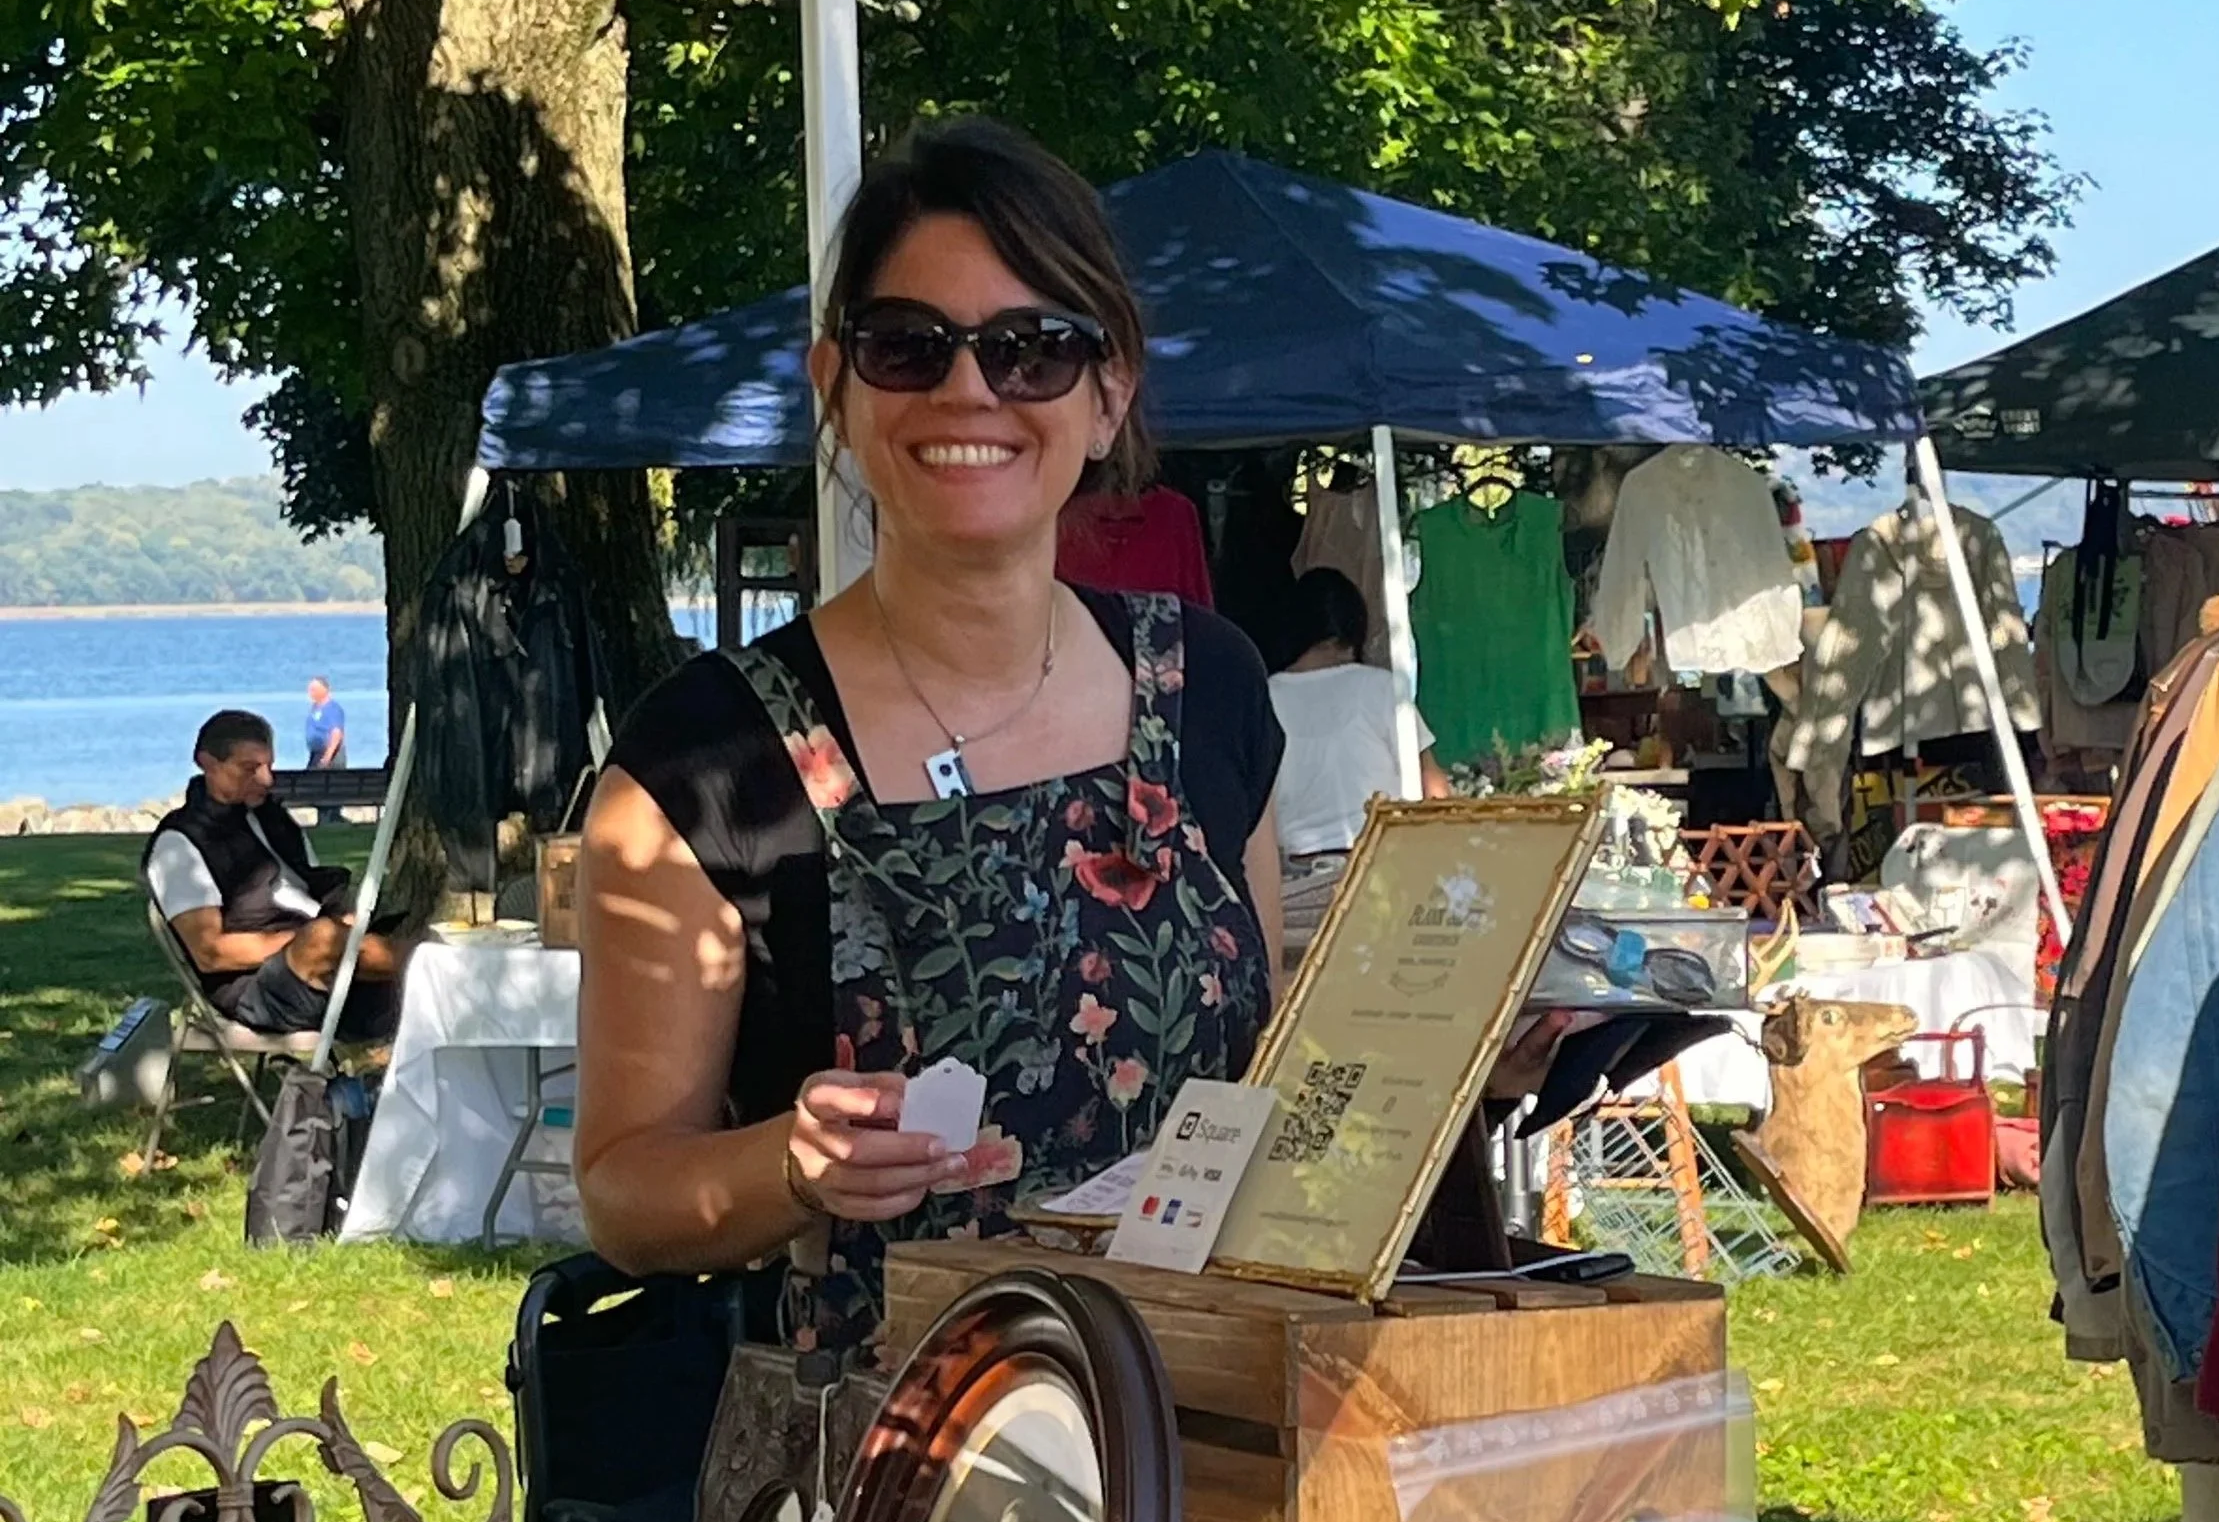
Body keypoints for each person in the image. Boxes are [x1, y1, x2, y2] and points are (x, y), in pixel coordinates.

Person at [573, 117, 1568, 1370]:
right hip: (902, 1479)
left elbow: (1252, 1096)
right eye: (906, 347)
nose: (969, 391)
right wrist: (791, 1163)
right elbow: (623, 1189)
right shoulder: (705, 759)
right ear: (834, 386)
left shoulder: (1207, 684)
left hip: (1217, 1431)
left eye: (1033, 349)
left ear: (1109, 396)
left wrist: (1456, 1057)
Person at [144, 710, 401, 1041]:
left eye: (269, 766)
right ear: (208, 763)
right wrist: (315, 937)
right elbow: (211, 954)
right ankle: (440, 967)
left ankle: (432, 975)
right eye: (250, 769)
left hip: (321, 963)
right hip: (256, 989)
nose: (267, 780)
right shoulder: (178, 846)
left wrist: (344, 922)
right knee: (323, 939)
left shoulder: (273, 820)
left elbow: (312, 892)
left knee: (390, 920)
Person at [1268, 566, 1452, 860]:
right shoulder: (1379, 686)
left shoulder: (1266, 696)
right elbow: (1433, 785)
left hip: (1297, 867)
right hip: (1381, 857)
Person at [305, 677, 346, 769]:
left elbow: (336, 733)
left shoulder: (332, 708)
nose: (309, 692)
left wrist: (327, 757)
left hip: (330, 756)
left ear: (324, 690)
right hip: (316, 754)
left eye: (313, 689)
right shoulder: (315, 708)